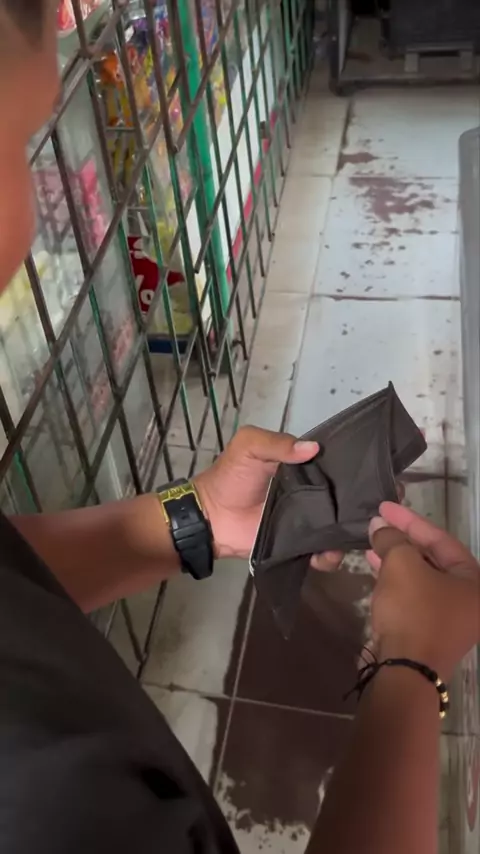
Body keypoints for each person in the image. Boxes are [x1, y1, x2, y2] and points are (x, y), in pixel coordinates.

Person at [0, 3, 479, 854]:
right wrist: (413, 670)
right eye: (17, 142)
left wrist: (196, 519)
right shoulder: (55, 801)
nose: (30, 223)